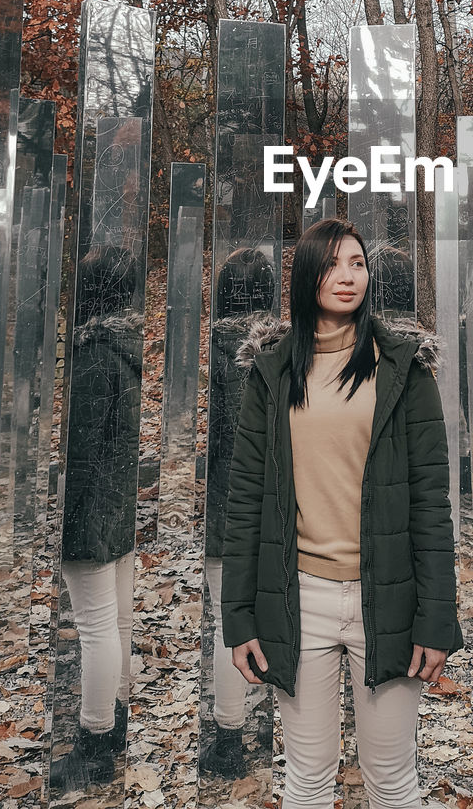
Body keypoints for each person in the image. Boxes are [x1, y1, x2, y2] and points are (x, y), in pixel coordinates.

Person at [220, 218, 463, 809]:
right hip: (299, 599)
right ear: (307, 276)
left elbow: (432, 502)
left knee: (392, 779)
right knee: (305, 779)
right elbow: (245, 497)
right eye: (332, 264)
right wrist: (240, 615)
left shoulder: (406, 369)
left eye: (357, 263)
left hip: (391, 598)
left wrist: (436, 618)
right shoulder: (273, 372)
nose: (347, 276)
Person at [50, 245, 142, 793]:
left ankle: (95, 741)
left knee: (95, 628)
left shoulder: (92, 356)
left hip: (90, 512)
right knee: (118, 624)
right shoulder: (125, 347)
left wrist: (61, 518)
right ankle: (117, 718)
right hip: (120, 505)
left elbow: (79, 452)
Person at [199, 246, 277, 779]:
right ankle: (274, 725)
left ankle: (228, 738)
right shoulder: (287, 350)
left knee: (231, 622)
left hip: (226, 510)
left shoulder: (213, 355)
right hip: (279, 512)